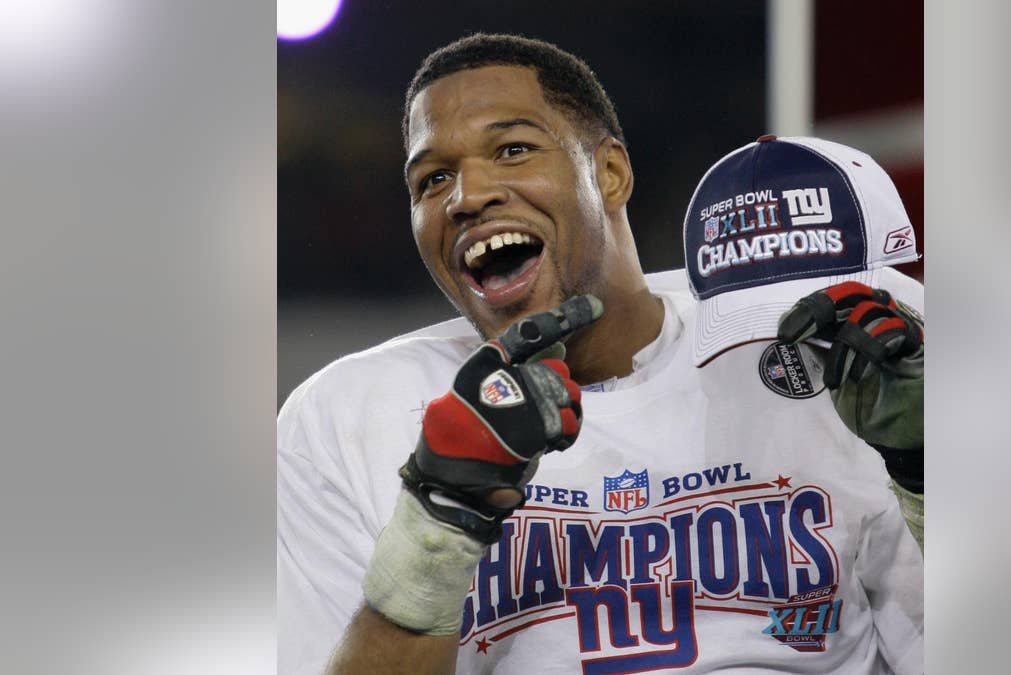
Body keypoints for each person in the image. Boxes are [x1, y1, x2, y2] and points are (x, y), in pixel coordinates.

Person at [278, 33, 923, 675]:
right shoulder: (347, 418)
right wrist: (435, 527)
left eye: (512, 149)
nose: (466, 197)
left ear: (610, 173)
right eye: (431, 179)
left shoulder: (815, 353)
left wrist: (926, 469)